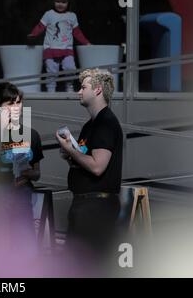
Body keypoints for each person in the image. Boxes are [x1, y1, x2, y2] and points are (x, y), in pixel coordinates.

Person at [55, 68, 123, 273]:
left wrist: (71, 151)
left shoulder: (106, 123)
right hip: (84, 204)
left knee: (89, 267)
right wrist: (71, 155)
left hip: (96, 207)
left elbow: (97, 166)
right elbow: (85, 163)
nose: (78, 91)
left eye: (83, 87)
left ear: (98, 90)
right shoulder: (90, 125)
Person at [0, 83, 44, 252]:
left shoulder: (32, 134)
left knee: (24, 243)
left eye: (18, 102)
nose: (16, 107)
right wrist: (0, 130)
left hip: (22, 192)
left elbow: (37, 173)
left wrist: (27, 173)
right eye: (10, 104)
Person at [27, 0, 91, 92]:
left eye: (63, 2)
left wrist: (86, 42)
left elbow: (77, 32)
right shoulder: (48, 14)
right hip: (50, 49)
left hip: (67, 50)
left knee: (70, 68)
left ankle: (69, 88)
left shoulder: (72, 16)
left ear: (69, 3)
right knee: (51, 72)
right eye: (57, 1)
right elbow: (40, 26)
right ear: (53, 1)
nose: (60, 4)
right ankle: (50, 91)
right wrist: (33, 34)